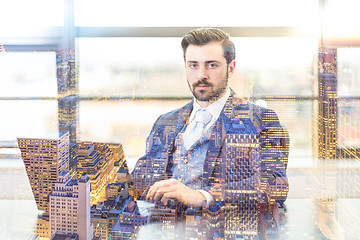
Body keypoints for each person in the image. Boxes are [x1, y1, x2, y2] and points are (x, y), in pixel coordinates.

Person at [131, 28, 288, 209]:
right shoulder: (165, 121)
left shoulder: (259, 119)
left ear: (231, 68)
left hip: (220, 229)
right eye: (193, 65)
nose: (201, 75)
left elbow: (275, 184)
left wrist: (202, 196)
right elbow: (138, 181)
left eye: (211, 65)